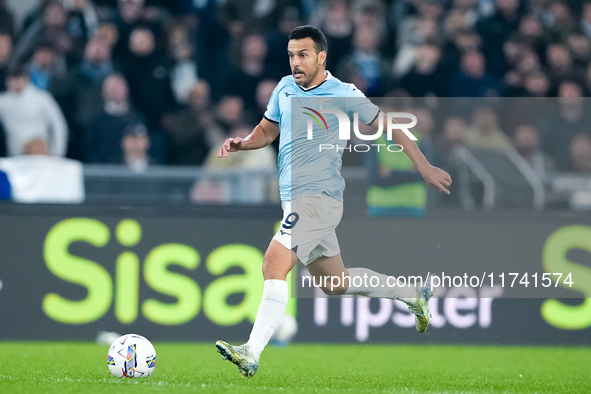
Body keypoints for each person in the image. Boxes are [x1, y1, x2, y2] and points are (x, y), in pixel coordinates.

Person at [214, 25, 451, 378]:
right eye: (292, 55)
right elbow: (267, 130)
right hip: (294, 201)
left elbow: (393, 127)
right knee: (334, 283)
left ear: (322, 56)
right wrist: (243, 142)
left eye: (303, 55)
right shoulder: (283, 87)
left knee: (273, 264)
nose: (296, 62)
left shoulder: (344, 93)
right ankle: (413, 294)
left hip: (318, 199)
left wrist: (425, 166)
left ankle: (252, 351)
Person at [0, 66, 68, 157]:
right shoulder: (3, 102)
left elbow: (58, 125)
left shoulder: (42, 98)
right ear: (7, 81)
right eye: (12, 79)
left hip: (41, 153)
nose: (16, 82)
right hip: (15, 155)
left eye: (19, 78)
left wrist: (58, 151)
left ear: (26, 79)